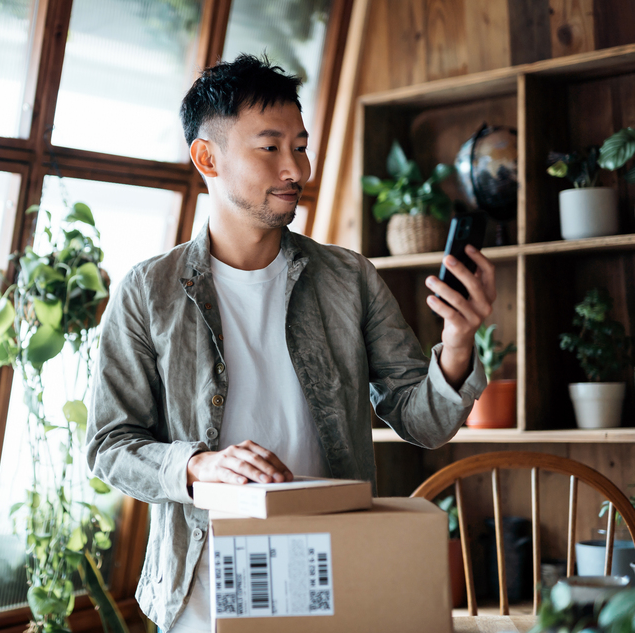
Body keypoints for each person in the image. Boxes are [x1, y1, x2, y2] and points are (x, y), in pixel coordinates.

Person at [85, 54, 495, 633]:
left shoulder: (349, 278)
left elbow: (422, 423)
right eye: (270, 147)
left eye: (300, 146)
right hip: (201, 594)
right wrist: (200, 466)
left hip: (333, 573)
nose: (295, 168)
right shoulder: (148, 291)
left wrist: (457, 344)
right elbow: (109, 446)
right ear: (207, 158)